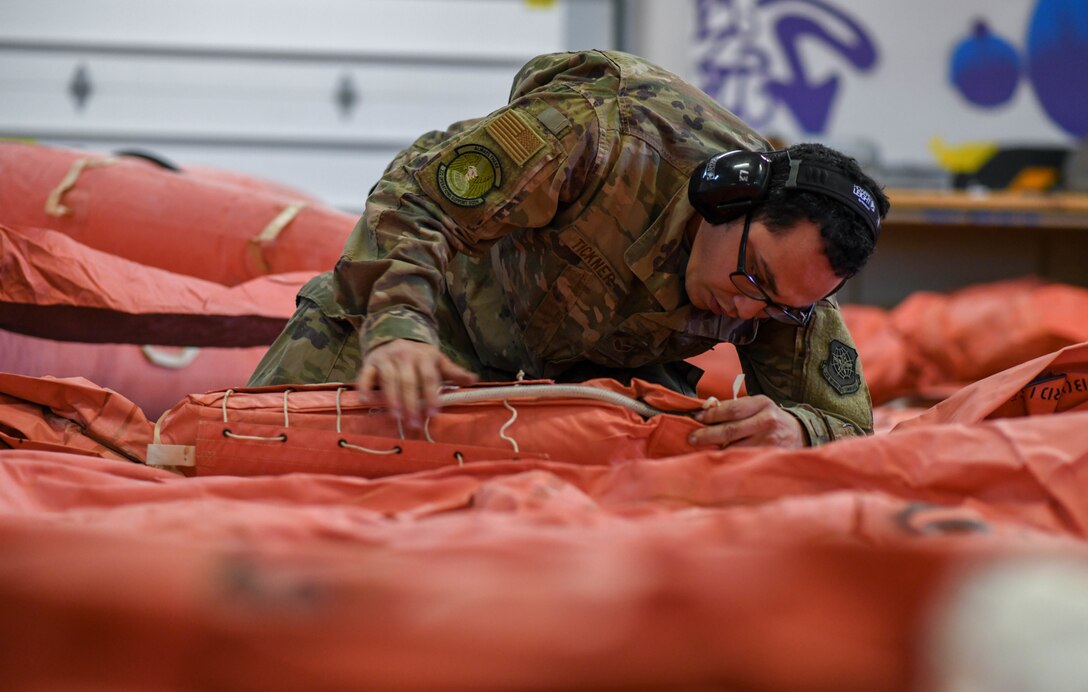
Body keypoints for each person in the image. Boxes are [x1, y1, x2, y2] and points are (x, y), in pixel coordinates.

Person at [248, 49, 890, 449]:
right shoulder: (607, 130)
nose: (749, 313)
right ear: (727, 197)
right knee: (245, 466)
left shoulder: (787, 285)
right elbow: (418, 195)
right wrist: (398, 328)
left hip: (571, 394)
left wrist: (800, 429)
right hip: (436, 317)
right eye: (753, 282)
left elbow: (847, 422)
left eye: (779, 308)